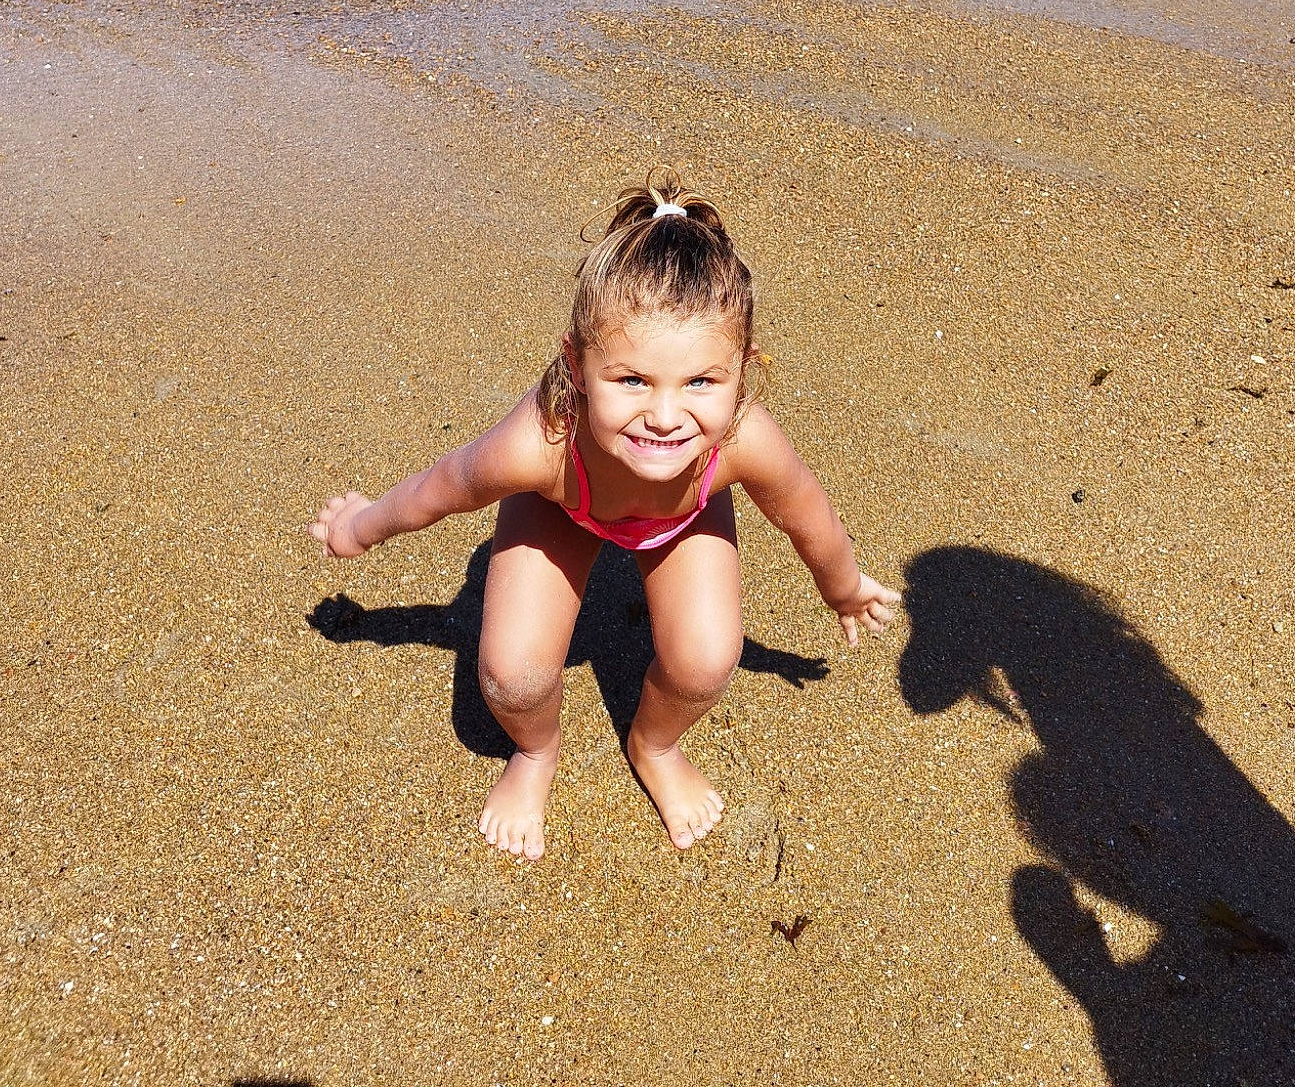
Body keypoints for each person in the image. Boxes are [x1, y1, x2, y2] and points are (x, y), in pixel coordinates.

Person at [309, 176, 899, 861]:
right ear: (578, 367)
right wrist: (361, 525)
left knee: (708, 660)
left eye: (701, 382)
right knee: (511, 674)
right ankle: (535, 754)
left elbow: (809, 518)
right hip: (564, 507)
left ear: (743, 369)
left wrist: (844, 586)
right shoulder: (543, 443)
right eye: (632, 380)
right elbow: (443, 488)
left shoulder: (740, 442)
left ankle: (656, 743)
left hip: (684, 516)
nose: (666, 416)